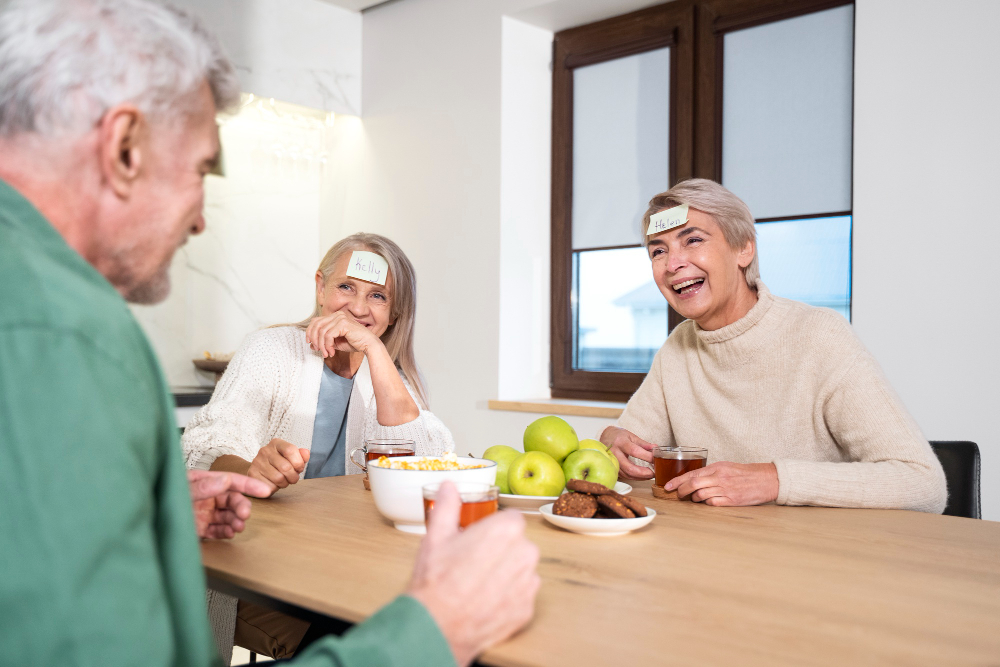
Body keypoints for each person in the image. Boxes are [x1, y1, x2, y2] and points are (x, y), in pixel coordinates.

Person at [0, 2, 540, 667]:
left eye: (378, 299)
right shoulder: (66, 336)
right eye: (201, 169)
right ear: (125, 147)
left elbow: (427, 460)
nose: (200, 220)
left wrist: (158, 510)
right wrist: (434, 633)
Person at [182, 233, 456, 660]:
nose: (359, 308)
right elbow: (207, 443)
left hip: (346, 567)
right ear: (320, 288)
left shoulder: (389, 378)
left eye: (378, 296)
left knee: (428, 614)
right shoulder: (270, 351)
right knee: (365, 625)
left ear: (394, 313)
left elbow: (431, 466)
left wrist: (375, 353)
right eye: (346, 287)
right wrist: (250, 468)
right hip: (256, 569)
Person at [601, 178, 947, 512]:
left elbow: (922, 484)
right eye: (658, 251)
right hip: (717, 550)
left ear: (744, 249)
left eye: (692, 240)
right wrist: (610, 444)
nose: (673, 264)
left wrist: (774, 479)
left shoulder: (819, 335)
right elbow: (629, 457)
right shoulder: (678, 349)